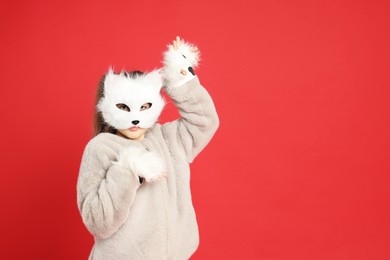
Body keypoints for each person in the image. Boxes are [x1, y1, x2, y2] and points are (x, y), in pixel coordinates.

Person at [76, 36, 219, 260]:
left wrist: (180, 78)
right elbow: (98, 222)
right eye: (124, 107)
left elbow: (205, 121)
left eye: (144, 106)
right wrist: (127, 169)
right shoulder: (100, 148)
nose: (135, 118)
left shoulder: (169, 139)